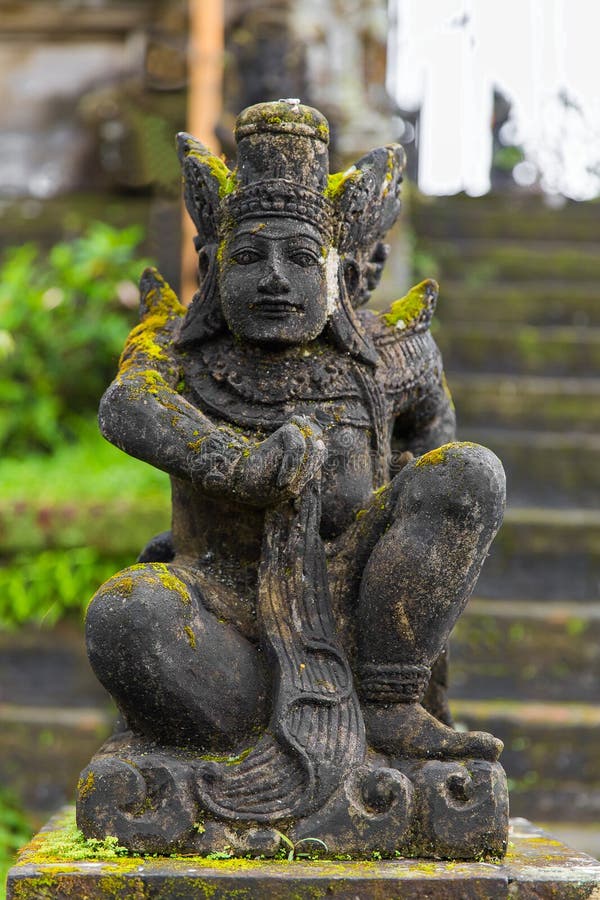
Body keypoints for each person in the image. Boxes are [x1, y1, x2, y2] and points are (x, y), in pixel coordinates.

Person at [85, 101, 505, 824]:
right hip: (225, 621)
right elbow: (128, 408)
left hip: (359, 616)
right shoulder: (182, 356)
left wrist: (409, 489)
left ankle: (389, 705)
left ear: (339, 273)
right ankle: (243, 743)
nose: (275, 278)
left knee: (470, 472)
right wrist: (241, 463)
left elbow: (436, 425)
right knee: (128, 614)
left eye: (301, 258)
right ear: (214, 266)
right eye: (250, 257)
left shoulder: (384, 359)